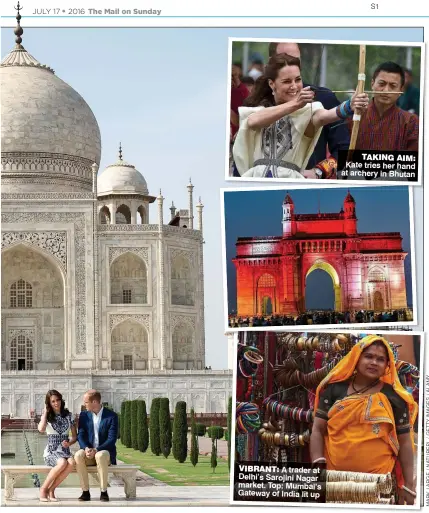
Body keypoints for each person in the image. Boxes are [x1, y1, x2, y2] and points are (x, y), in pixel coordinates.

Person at [310, 335, 418, 505]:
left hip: (378, 484)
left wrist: (409, 486)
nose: (374, 362)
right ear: (356, 358)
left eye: (381, 359)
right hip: (335, 481)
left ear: (387, 366)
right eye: (368, 356)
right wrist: (317, 462)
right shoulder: (334, 390)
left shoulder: (395, 397)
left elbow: (405, 442)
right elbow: (318, 429)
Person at [233, 53, 368, 179]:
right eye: (287, 81)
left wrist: (350, 105)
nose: (294, 86)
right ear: (271, 84)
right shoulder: (259, 111)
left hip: (290, 181)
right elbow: (252, 121)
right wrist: (295, 104)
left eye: (298, 80)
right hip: (256, 179)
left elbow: (326, 116)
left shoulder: (309, 110)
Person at [269, 42, 351, 173]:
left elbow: (345, 151)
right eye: (284, 59)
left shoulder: (323, 97)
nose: (291, 65)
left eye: (296, 60)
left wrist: (319, 171)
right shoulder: (257, 102)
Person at [348, 62, 419, 151]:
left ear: (401, 90)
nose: (386, 90)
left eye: (393, 86)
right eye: (381, 84)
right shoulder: (354, 116)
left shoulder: (411, 121)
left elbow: (413, 161)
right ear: (372, 84)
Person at [75, 390, 118, 502]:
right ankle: (85, 492)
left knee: (100, 455)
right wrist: (86, 448)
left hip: (105, 452)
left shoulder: (111, 416)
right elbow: (81, 435)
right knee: (78, 455)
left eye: (86, 402)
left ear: (94, 402)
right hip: (89, 452)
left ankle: (103, 491)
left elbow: (111, 439)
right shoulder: (84, 415)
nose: (84, 404)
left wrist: (96, 449)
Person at [37, 390, 77, 502]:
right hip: (51, 451)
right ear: (49, 403)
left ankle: (52, 490)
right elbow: (41, 429)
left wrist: (69, 443)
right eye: (53, 401)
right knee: (62, 463)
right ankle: (43, 489)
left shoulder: (69, 416)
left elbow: (74, 436)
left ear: (61, 400)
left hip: (65, 451)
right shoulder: (47, 416)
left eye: (58, 400)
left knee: (72, 463)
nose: (56, 403)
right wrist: (45, 413)